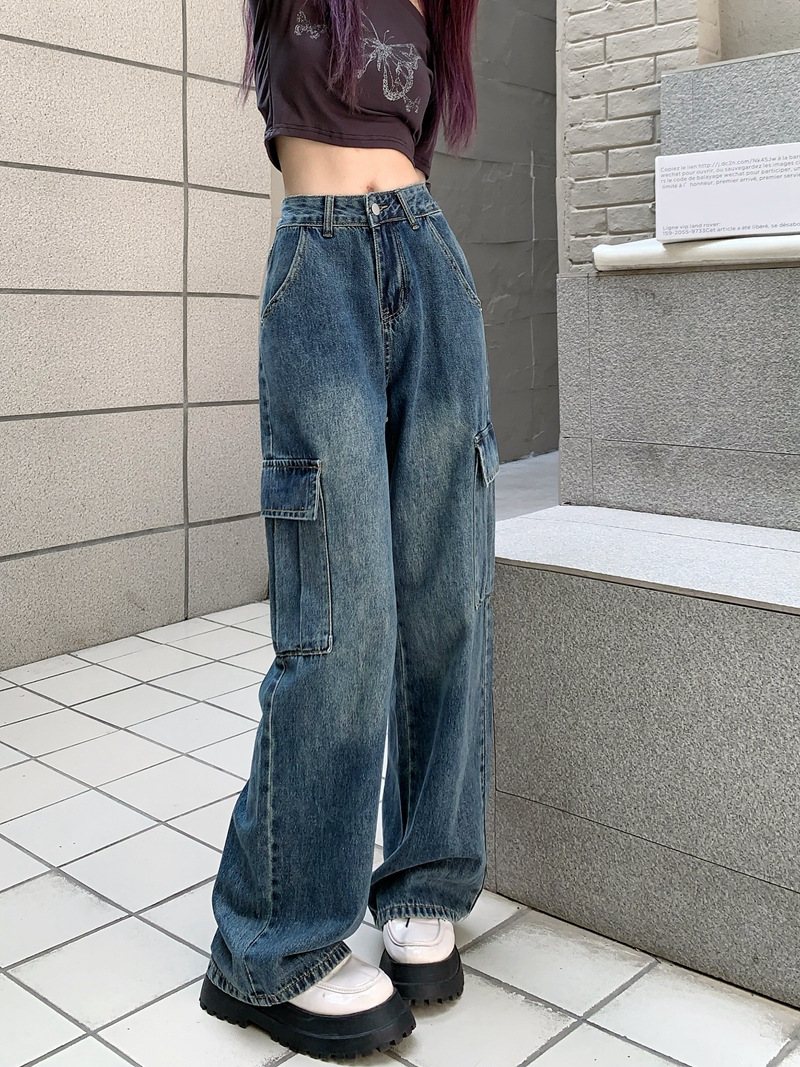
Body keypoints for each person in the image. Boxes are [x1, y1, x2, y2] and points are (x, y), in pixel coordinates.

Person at [199, 0, 497, 1057]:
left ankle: (424, 880)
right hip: (318, 274)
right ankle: (269, 942)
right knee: (342, 616)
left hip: (428, 265)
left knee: (449, 595)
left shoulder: (432, 12)